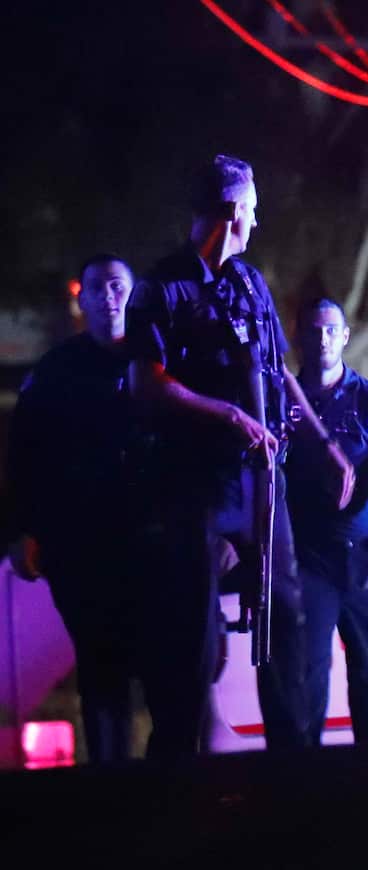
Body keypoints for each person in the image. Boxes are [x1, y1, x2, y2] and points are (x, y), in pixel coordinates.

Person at [125, 154, 354, 757]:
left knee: (285, 615)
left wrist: (325, 444)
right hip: (195, 479)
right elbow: (148, 382)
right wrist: (227, 414)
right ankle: (177, 759)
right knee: (192, 627)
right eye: (251, 211)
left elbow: (277, 368)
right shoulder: (162, 288)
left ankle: (293, 756)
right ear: (230, 212)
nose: (256, 222)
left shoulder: (248, 282)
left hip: (261, 478)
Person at [6, 254, 139, 763]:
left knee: (158, 662)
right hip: (80, 544)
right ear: (82, 298)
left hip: (147, 540)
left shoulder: (159, 362)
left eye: (119, 286)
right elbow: (24, 456)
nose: (110, 296)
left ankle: (170, 776)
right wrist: (25, 531)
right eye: (98, 287)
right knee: (100, 661)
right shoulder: (57, 371)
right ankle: (111, 772)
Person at [287, 297, 368, 745]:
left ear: (345, 337)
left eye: (330, 330)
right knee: (306, 678)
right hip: (309, 560)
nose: (321, 339)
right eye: (313, 330)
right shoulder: (282, 402)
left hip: (367, 559)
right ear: (299, 336)